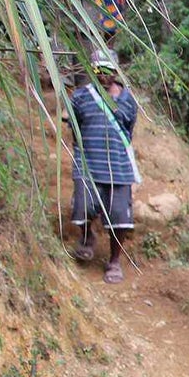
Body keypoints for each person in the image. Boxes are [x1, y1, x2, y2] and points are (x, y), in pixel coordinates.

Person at [69, 49, 139, 284]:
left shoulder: (128, 101)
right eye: (98, 70)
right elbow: (75, 131)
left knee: (120, 217)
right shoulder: (79, 98)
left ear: (116, 71)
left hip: (118, 169)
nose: (103, 75)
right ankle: (87, 238)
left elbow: (128, 132)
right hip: (88, 164)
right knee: (83, 206)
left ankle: (114, 261)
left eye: (108, 70)